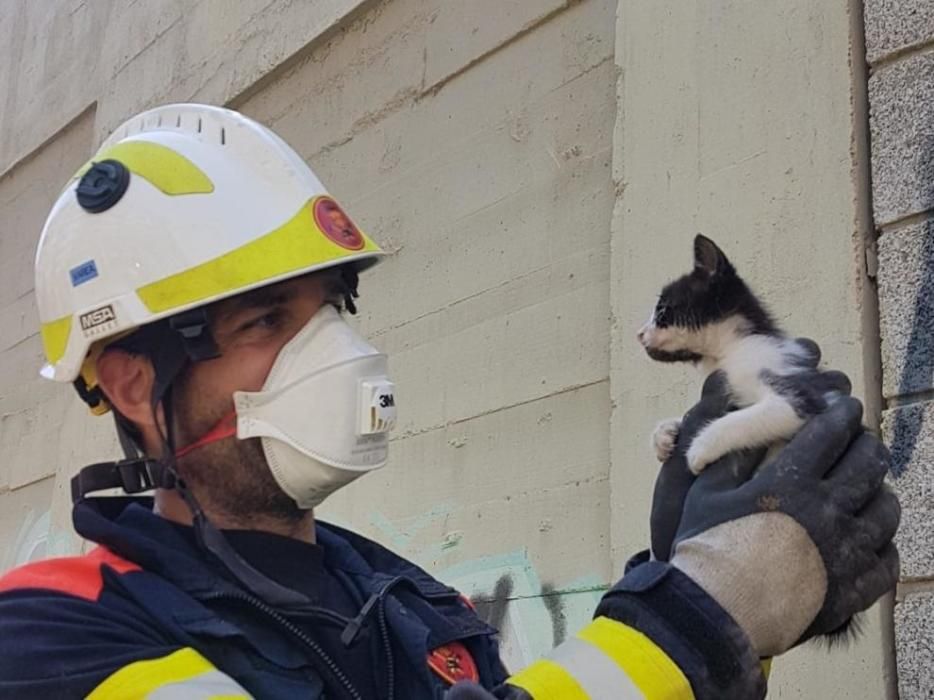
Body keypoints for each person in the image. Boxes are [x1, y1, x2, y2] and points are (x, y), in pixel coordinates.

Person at [0, 104, 899, 700]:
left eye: (333, 312)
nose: (335, 355)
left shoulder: (412, 608)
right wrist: (704, 612)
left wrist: (715, 604)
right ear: (131, 385)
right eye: (268, 321)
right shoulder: (53, 635)